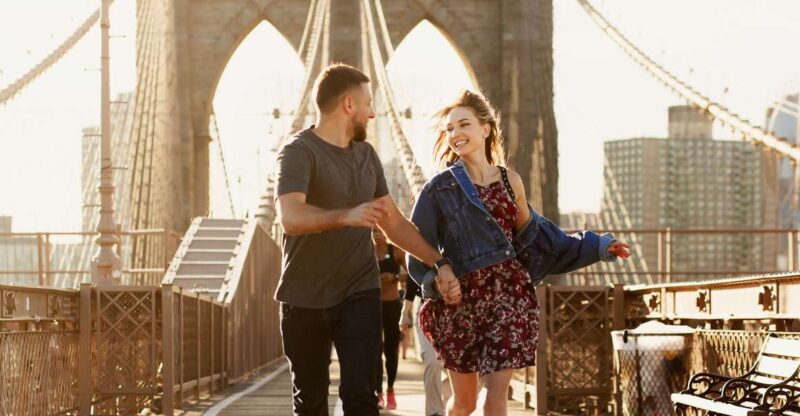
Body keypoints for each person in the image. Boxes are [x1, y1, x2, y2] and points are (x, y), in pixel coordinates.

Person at [406, 90, 631, 416]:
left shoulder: (511, 182)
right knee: (465, 404)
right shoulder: (439, 188)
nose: (455, 134)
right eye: (450, 129)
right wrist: (436, 278)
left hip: (509, 298)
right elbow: (417, 245)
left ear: (486, 128)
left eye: (463, 124)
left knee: (496, 396)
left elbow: (541, 238)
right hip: (462, 303)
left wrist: (596, 245)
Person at [274, 63, 460, 416]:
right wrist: (346, 216)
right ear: (348, 105)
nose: (373, 113)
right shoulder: (299, 152)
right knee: (310, 403)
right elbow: (291, 218)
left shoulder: (366, 156)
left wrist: (439, 261)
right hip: (304, 296)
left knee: (362, 397)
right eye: (368, 104)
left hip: (359, 291)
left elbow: (394, 223)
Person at [401, 278, 449, 416]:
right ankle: (434, 412)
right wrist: (404, 313)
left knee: (470, 368)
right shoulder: (418, 258)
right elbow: (412, 281)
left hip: (457, 309)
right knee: (433, 361)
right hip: (427, 309)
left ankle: (446, 396)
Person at [372, 227, 405, 410]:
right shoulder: (367, 251)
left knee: (391, 351)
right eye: (373, 231)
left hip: (392, 303)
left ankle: (390, 389)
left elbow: (411, 276)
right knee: (375, 350)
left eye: (379, 231)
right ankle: (378, 393)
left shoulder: (395, 251)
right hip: (373, 306)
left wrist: (394, 276)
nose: (377, 235)